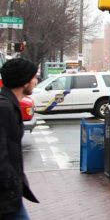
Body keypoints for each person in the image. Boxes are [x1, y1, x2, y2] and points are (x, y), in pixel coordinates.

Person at [0, 58, 40, 218]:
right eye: (34, 77)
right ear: (24, 82)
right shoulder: (5, 109)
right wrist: (12, 183)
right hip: (5, 197)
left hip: (9, 196)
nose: (36, 81)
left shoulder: (9, 105)